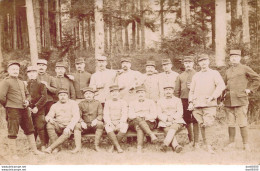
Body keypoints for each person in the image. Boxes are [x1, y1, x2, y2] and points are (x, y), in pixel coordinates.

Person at [0, 61, 44, 159]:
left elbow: (28, 94)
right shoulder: (6, 81)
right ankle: (13, 154)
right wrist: (8, 106)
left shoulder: (21, 82)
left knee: (30, 129)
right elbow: (1, 97)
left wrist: (28, 102)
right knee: (13, 131)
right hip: (13, 110)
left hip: (24, 110)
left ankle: (35, 150)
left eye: (17, 69)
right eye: (13, 69)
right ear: (8, 70)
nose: (15, 71)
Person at [223, 50, 260, 151]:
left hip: (241, 100)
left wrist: (250, 89)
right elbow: (224, 85)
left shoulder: (245, 68)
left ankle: (246, 144)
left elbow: (257, 78)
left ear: (240, 58)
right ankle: (231, 143)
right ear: (230, 59)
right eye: (232, 57)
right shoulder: (228, 71)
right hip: (229, 101)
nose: (234, 58)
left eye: (236, 56)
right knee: (230, 123)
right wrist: (222, 98)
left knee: (242, 122)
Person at [188, 54, 225, 154]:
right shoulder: (196, 75)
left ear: (208, 61)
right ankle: (206, 144)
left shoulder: (214, 73)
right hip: (197, 105)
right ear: (198, 63)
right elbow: (191, 91)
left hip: (209, 105)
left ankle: (209, 146)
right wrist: (191, 102)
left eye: (205, 60)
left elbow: (221, 86)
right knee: (202, 125)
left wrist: (213, 96)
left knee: (208, 124)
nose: (203, 63)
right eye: (201, 61)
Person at [44, 88, 80, 154]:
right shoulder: (54, 105)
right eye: (61, 95)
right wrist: (49, 119)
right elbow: (48, 116)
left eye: (64, 95)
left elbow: (76, 116)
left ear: (67, 96)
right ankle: (57, 147)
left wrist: (69, 127)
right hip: (59, 124)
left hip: (69, 124)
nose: (62, 97)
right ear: (58, 97)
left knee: (69, 130)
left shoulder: (73, 103)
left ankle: (51, 147)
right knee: (49, 125)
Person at [174, 56, 199, 146]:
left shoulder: (198, 74)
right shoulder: (180, 76)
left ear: (193, 64)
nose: (188, 64)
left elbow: (202, 88)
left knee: (196, 119)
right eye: (186, 63)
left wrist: (193, 87)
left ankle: (196, 141)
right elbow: (177, 91)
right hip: (184, 99)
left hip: (196, 99)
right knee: (187, 120)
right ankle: (191, 140)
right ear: (184, 64)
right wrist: (176, 102)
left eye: (190, 63)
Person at [72, 87, 104, 153]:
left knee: (100, 124)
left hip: (94, 125)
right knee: (77, 125)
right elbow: (77, 115)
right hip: (85, 126)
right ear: (84, 95)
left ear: (93, 95)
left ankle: (96, 146)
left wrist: (96, 120)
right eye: (86, 94)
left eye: (90, 93)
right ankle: (78, 147)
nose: (88, 95)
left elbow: (101, 114)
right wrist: (81, 122)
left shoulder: (98, 103)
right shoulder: (80, 104)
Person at [128, 85, 158, 153]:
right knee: (139, 121)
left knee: (140, 127)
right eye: (138, 93)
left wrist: (145, 116)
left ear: (145, 93)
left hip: (149, 122)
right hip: (134, 122)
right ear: (136, 94)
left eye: (142, 92)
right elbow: (130, 115)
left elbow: (154, 115)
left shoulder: (151, 102)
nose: (140, 94)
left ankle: (139, 147)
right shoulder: (132, 102)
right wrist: (139, 116)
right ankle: (151, 135)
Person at [157, 85, 185, 153]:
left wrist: (172, 118)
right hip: (164, 121)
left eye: (170, 89)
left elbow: (180, 112)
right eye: (166, 90)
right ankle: (176, 146)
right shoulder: (160, 101)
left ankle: (165, 144)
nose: (168, 91)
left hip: (176, 120)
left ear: (173, 91)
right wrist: (166, 119)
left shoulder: (178, 100)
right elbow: (158, 113)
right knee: (166, 128)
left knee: (173, 126)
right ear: (163, 91)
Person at [27, 66, 48, 151]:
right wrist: (27, 107)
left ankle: (43, 144)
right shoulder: (24, 84)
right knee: (31, 127)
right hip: (28, 109)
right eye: (30, 72)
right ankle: (33, 145)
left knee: (40, 126)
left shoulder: (41, 84)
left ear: (37, 74)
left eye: (34, 72)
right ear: (27, 74)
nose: (32, 74)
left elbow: (44, 97)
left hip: (39, 109)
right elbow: (23, 96)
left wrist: (37, 107)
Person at [103, 85, 128, 153]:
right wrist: (109, 123)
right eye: (112, 92)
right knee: (108, 127)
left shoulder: (123, 102)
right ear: (110, 94)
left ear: (119, 93)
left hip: (120, 121)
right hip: (111, 122)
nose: (114, 93)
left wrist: (121, 123)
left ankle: (113, 146)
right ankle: (118, 147)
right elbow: (106, 114)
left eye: (116, 92)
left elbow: (124, 113)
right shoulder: (107, 102)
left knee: (124, 127)